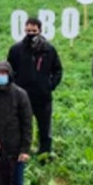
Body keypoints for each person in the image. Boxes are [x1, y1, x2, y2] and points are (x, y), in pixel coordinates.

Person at [7, 18, 63, 156]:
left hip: (43, 96)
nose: (31, 33)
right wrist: (15, 87)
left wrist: (50, 85)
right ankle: (20, 151)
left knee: (45, 126)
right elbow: (9, 70)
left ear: (40, 30)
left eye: (34, 31)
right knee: (22, 125)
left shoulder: (49, 50)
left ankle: (45, 152)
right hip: (22, 96)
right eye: (28, 31)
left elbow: (58, 70)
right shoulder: (16, 49)